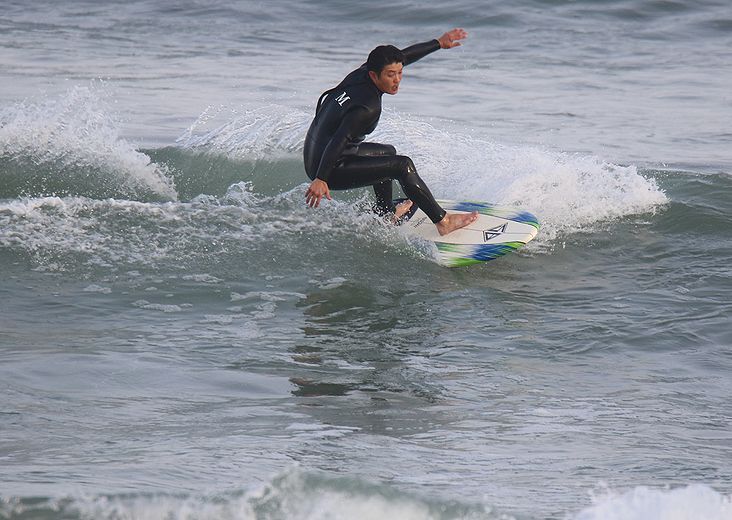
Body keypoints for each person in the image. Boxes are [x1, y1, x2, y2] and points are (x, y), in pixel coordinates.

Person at [303, 28, 478, 236]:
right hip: (329, 166)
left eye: (399, 73)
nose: (397, 80)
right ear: (374, 75)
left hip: (315, 152)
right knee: (403, 165)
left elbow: (404, 56)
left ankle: (385, 212)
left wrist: (438, 43)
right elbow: (340, 140)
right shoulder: (367, 107)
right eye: (390, 75)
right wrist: (321, 178)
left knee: (387, 153)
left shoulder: (361, 74)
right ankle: (444, 221)